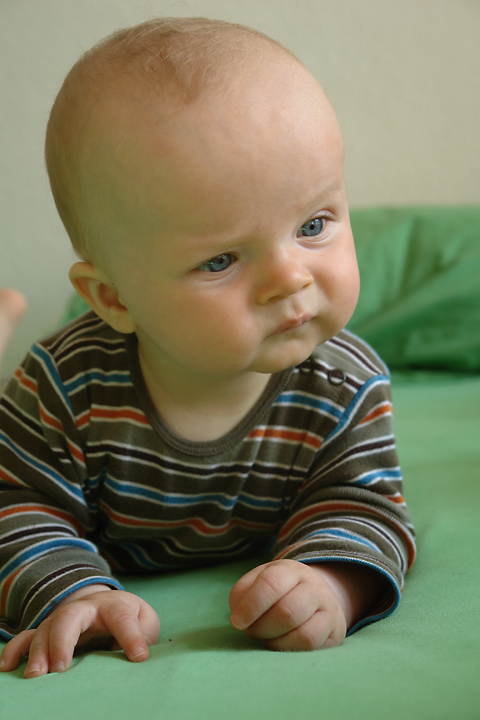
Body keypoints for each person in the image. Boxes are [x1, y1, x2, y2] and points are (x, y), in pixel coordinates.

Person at [0, 17, 416, 678]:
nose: (291, 278)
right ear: (113, 299)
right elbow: (18, 509)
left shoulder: (345, 384)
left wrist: (331, 583)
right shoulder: (61, 386)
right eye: (221, 260)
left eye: (313, 224)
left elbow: (364, 509)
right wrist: (72, 593)